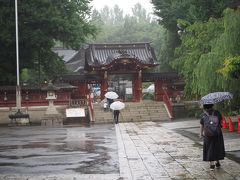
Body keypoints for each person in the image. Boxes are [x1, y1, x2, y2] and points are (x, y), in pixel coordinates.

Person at [199, 104, 225, 170]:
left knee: (209, 148)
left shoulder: (203, 115)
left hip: (208, 135)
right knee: (217, 147)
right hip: (217, 133)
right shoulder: (217, 112)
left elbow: (202, 125)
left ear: (205, 107)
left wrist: (201, 133)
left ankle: (212, 165)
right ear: (212, 105)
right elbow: (221, 121)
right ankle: (217, 162)